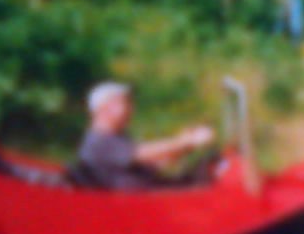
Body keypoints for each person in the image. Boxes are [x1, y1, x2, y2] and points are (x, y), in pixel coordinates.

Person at [75, 81, 215, 189]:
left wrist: (184, 147)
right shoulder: (99, 141)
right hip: (139, 204)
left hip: (148, 193)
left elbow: (153, 162)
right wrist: (186, 141)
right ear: (104, 108)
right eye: (125, 102)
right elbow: (144, 152)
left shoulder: (117, 137)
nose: (131, 108)